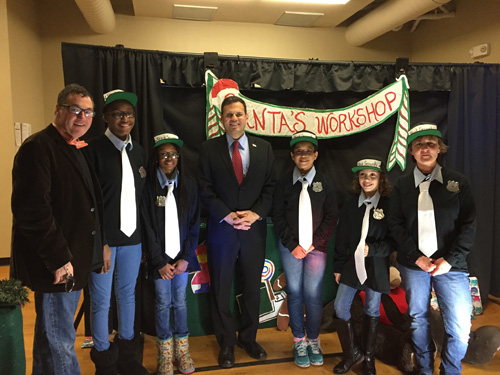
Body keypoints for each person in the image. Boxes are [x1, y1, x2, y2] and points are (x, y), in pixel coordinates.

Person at [10, 84, 106, 375]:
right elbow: (33, 212)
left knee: (48, 334)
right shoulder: (38, 147)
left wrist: (100, 246)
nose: (82, 117)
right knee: (61, 340)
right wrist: (59, 260)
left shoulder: (77, 147)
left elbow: (90, 206)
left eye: (88, 112)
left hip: (76, 257)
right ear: (58, 110)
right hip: (57, 263)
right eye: (75, 109)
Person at [389, 123, 476, 375]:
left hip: (451, 265)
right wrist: (417, 258)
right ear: (412, 151)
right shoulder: (402, 186)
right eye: (419, 145)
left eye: (431, 144)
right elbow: (395, 225)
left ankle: (450, 370)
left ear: (439, 149)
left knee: (460, 327)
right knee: (418, 319)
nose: (425, 149)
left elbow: (469, 224)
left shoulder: (458, 183)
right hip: (413, 265)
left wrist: (449, 260)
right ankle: (424, 368)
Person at [198, 96, 276, 368]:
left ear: (247, 117)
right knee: (221, 288)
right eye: (229, 115)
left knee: (252, 288)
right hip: (223, 230)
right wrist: (227, 215)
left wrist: (256, 214)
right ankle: (226, 344)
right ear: (222, 119)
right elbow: (204, 188)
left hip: (253, 230)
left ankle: (249, 338)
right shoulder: (208, 149)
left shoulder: (264, 149)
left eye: (238, 114)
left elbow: (270, 188)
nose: (234, 119)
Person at [86, 89, 148, 375]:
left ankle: (128, 357)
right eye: (118, 113)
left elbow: (140, 200)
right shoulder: (92, 150)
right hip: (105, 242)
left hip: (132, 240)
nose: (125, 119)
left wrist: (144, 243)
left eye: (129, 114)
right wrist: (101, 242)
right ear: (106, 117)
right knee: (100, 300)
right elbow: (90, 204)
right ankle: (103, 358)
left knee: (127, 296)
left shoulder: (139, 152)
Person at [272, 130, 338, 368]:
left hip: (316, 248)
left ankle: (313, 339)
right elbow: (277, 216)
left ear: (315, 154)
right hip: (290, 248)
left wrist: (311, 244)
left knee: (313, 294)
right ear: (292, 155)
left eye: (308, 151)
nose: (303, 155)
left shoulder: (326, 183)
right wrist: (293, 246)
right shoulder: (283, 183)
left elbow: (331, 218)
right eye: (298, 151)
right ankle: (298, 339)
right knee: (295, 292)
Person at [141, 133, 200, 375]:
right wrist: (159, 262)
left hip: (181, 261)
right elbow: (147, 227)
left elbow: (194, 225)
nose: (169, 158)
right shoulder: (148, 188)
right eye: (164, 154)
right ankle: (165, 355)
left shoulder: (189, 186)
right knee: (163, 303)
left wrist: (186, 257)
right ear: (156, 158)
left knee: (181, 302)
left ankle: (182, 351)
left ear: (179, 157)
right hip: (161, 263)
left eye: (173, 154)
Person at [333, 157, 393, 375]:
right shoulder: (350, 203)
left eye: (372, 175)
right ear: (357, 179)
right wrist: (338, 266)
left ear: (380, 179)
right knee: (340, 307)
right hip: (350, 264)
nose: (367, 179)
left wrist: (373, 249)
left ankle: (369, 358)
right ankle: (352, 354)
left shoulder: (389, 204)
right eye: (362, 175)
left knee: (371, 308)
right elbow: (341, 238)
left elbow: (394, 241)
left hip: (376, 267)